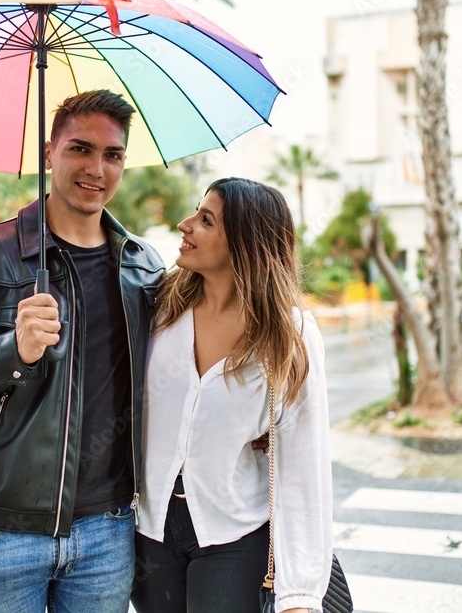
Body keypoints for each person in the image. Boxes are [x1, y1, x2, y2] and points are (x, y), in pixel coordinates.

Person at [0, 89, 165, 612]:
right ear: (48, 152)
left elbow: (179, 367)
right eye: (80, 149)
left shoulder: (143, 267)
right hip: (2, 525)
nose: (97, 168)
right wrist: (11, 351)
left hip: (109, 530)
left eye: (113, 154)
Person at [132, 177, 333, 613]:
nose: (185, 225)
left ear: (245, 242)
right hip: (149, 532)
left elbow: (303, 464)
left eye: (206, 220)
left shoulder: (290, 335)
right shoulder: (161, 309)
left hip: (234, 534)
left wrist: (300, 594)